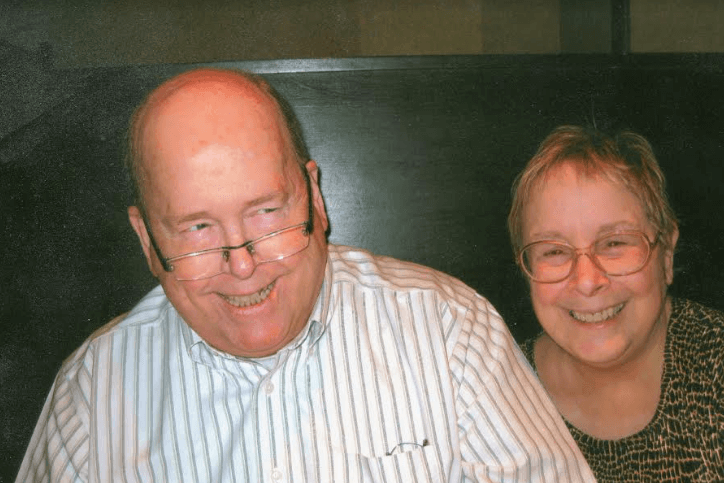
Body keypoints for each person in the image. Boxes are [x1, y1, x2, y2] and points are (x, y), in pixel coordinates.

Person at [16, 68, 595, 483]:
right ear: (147, 239)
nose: (242, 265)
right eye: (197, 230)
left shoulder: (450, 330)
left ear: (314, 197)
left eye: (267, 214)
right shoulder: (91, 395)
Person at [509, 125, 724, 482]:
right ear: (527, 268)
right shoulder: (498, 390)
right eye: (554, 251)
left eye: (614, 243)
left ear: (666, 253)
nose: (588, 280)